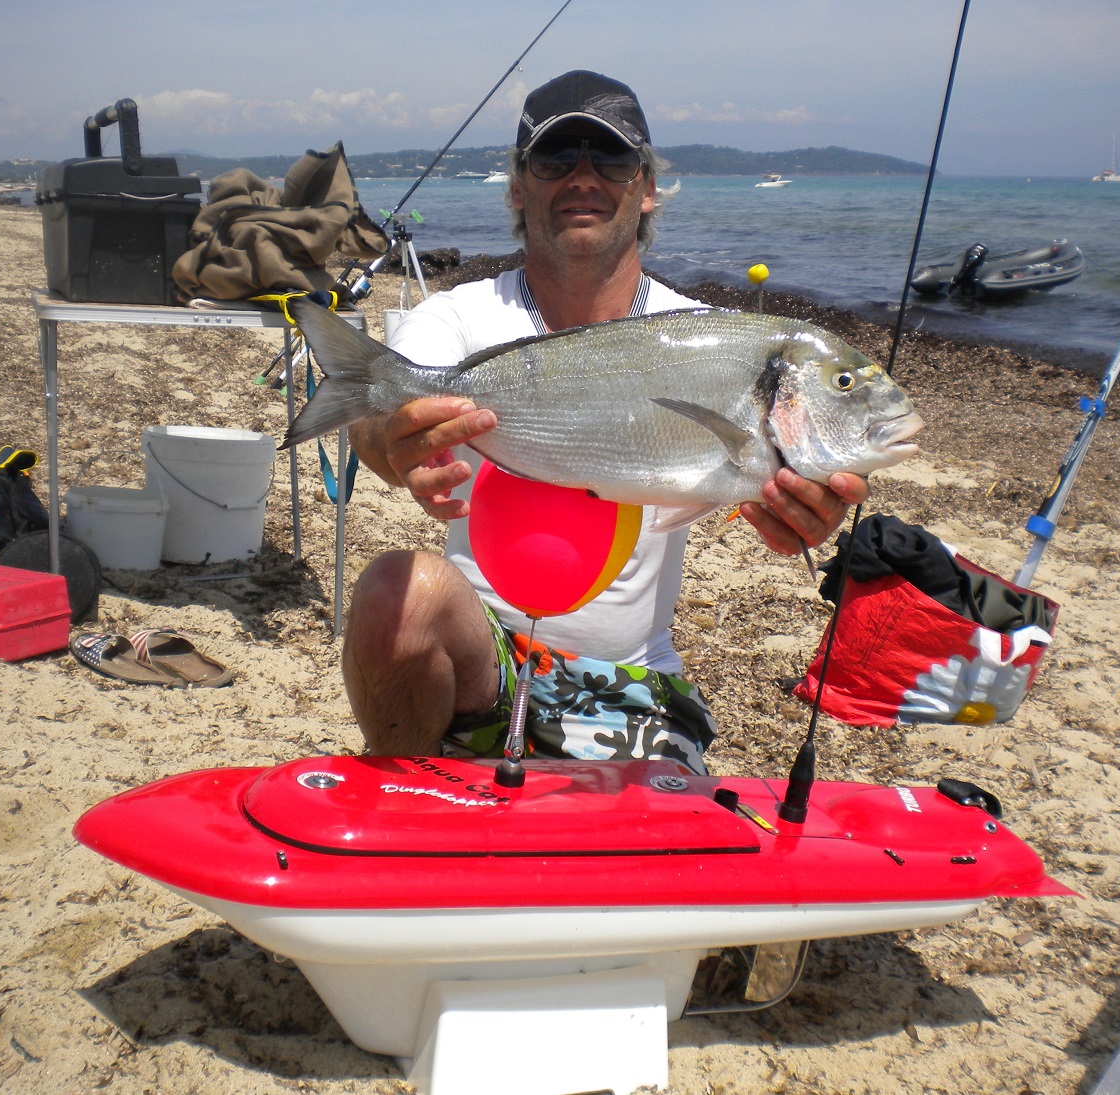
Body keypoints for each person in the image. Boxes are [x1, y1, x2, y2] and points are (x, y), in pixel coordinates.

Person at [344, 70, 868, 773]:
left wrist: (808, 504)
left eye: (612, 159)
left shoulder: (712, 340)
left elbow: (795, 456)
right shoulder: (461, 317)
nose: (584, 176)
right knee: (395, 598)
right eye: (556, 159)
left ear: (647, 187)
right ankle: (406, 818)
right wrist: (393, 444)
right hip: (484, 660)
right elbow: (377, 413)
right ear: (517, 189)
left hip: (634, 683)